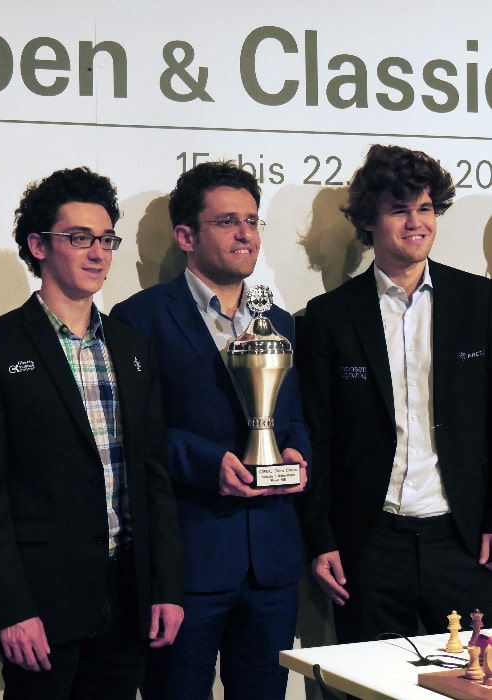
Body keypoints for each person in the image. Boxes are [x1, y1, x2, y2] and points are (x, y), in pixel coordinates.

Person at [111, 161, 311, 700]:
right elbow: (132, 433)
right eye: (227, 221)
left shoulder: (282, 323)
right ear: (185, 236)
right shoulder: (139, 319)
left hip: (271, 560)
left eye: (251, 220)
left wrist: (296, 452)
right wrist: (205, 463)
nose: (246, 233)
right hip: (188, 564)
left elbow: (295, 417)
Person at [0, 166, 184, 700]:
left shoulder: (131, 346)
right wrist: (10, 608)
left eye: (106, 240)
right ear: (38, 245)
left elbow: (153, 477)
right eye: (79, 238)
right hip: (41, 605)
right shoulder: (1, 346)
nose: (97, 253)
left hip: (127, 598)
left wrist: (166, 587)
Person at [298, 144, 492, 644]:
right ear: (369, 221)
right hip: (369, 545)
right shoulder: (328, 318)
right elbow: (317, 435)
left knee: (473, 682)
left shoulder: (481, 304)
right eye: (399, 209)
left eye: (425, 207)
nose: (415, 222)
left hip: (464, 540)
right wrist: (320, 538)